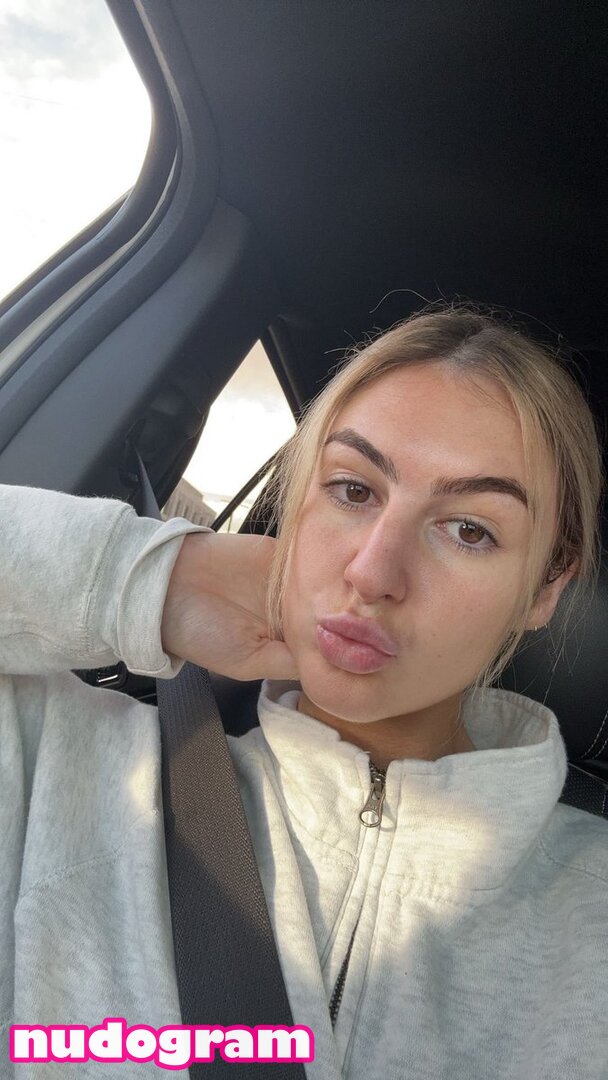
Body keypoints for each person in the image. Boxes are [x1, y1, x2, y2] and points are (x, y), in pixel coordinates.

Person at [1, 304, 607, 1078]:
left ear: (545, 589)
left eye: (469, 530)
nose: (373, 573)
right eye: (353, 489)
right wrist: (155, 579)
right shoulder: (61, 770)